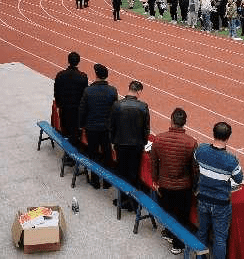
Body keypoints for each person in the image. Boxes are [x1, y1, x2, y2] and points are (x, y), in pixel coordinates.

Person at [150, 108, 198, 255]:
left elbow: (154, 162)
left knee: (168, 212)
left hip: (164, 185)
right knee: (183, 217)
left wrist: (155, 181)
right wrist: (195, 187)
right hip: (184, 187)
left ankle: (170, 234)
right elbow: (194, 169)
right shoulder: (191, 142)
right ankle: (178, 245)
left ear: (171, 120)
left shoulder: (159, 139)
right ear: (185, 123)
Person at [193, 122, 243, 259]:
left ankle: (200, 257)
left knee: (202, 231)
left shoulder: (201, 150)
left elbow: (195, 161)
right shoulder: (231, 160)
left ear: (213, 134)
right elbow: (239, 179)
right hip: (221, 204)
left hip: (202, 199)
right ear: (228, 137)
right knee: (220, 238)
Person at [110, 80, 149, 210]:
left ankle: (122, 199)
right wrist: (143, 143)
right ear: (138, 91)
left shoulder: (117, 105)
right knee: (133, 174)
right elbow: (146, 129)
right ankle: (133, 201)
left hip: (120, 144)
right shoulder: (143, 107)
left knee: (121, 172)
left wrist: (113, 142)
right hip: (136, 146)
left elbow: (112, 126)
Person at [78, 63, 118, 189]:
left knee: (93, 154)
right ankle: (107, 182)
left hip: (92, 128)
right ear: (106, 77)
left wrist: (81, 125)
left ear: (96, 75)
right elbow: (115, 111)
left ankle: (95, 181)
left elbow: (82, 110)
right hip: (106, 129)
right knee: (107, 155)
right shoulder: (112, 91)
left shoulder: (88, 91)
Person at [53, 51, 88, 162]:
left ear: (68, 61)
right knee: (75, 133)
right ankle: (72, 156)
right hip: (76, 110)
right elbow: (84, 95)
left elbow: (56, 92)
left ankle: (67, 154)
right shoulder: (83, 77)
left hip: (64, 108)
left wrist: (59, 105)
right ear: (78, 62)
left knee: (66, 131)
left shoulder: (60, 75)